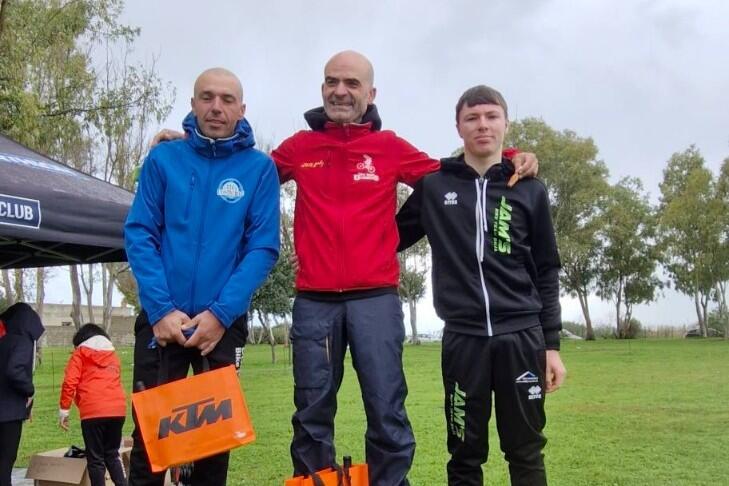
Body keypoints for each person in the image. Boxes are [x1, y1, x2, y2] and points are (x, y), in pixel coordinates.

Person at [152, 51, 538, 485]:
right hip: (315, 303)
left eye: (352, 83)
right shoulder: (300, 147)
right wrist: (188, 148)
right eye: (332, 81)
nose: (340, 91)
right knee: (312, 413)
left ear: (370, 93)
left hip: (376, 301)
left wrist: (509, 155)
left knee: (386, 410)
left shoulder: (389, 147)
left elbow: (455, 174)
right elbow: (243, 169)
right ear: (322, 88)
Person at [396, 85, 567, 485]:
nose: (482, 125)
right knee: (464, 454)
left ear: (506, 124)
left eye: (492, 116)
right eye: (472, 118)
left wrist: (551, 346)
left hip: (522, 338)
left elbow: (547, 269)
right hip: (463, 341)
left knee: (526, 451)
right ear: (458, 127)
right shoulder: (435, 187)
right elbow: (385, 237)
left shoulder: (530, 189)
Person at [124, 67, 280, 486]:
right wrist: (160, 310)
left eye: (227, 99)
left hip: (221, 325)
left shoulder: (259, 169)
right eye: (207, 97)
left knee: (213, 445)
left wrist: (220, 314)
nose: (216, 107)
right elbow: (140, 233)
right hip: (162, 322)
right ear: (193, 104)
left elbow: (263, 248)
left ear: (242, 109)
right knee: (149, 442)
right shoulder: (163, 160)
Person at [58, 323, 127, 486]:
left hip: (93, 411)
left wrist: (64, 410)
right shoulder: (113, 355)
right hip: (117, 410)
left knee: (95, 459)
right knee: (112, 454)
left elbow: (70, 382)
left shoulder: (79, 354)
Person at [0, 302, 44, 486]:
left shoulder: (4, 340)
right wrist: (29, 389)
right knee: (5, 461)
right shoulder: (22, 341)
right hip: (9, 413)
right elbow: (14, 370)